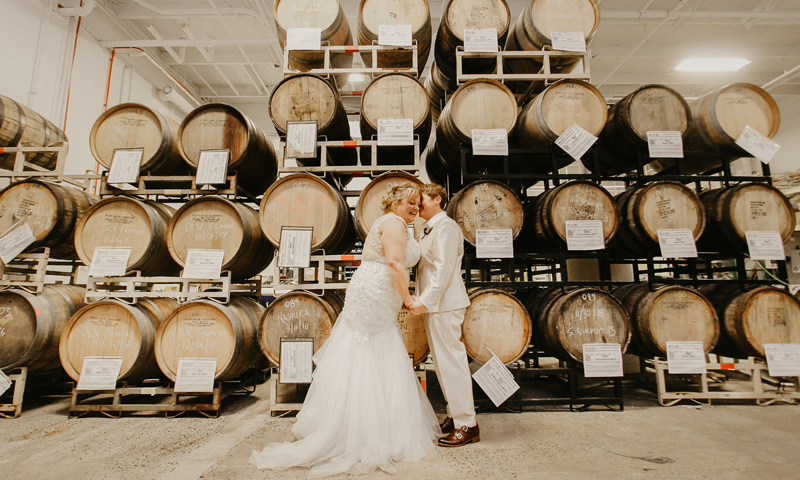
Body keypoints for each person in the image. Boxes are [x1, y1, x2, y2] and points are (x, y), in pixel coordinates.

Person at [250, 182, 440, 478]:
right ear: (394, 203)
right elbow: (394, 262)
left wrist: (399, 294)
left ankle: (366, 424)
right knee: (372, 349)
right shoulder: (393, 224)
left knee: (371, 350)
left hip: (377, 291)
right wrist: (407, 297)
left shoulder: (397, 223)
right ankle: (367, 432)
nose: (415, 207)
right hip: (376, 291)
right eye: (409, 203)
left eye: (418, 203)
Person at [409, 183, 479, 447]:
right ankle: (454, 415)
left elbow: (445, 269)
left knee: (453, 363)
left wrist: (424, 301)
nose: (418, 206)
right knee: (442, 364)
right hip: (436, 304)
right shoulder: (429, 229)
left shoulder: (446, 227)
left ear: (437, 199)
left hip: (445, 304)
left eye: (421, 200)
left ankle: (467, 425)